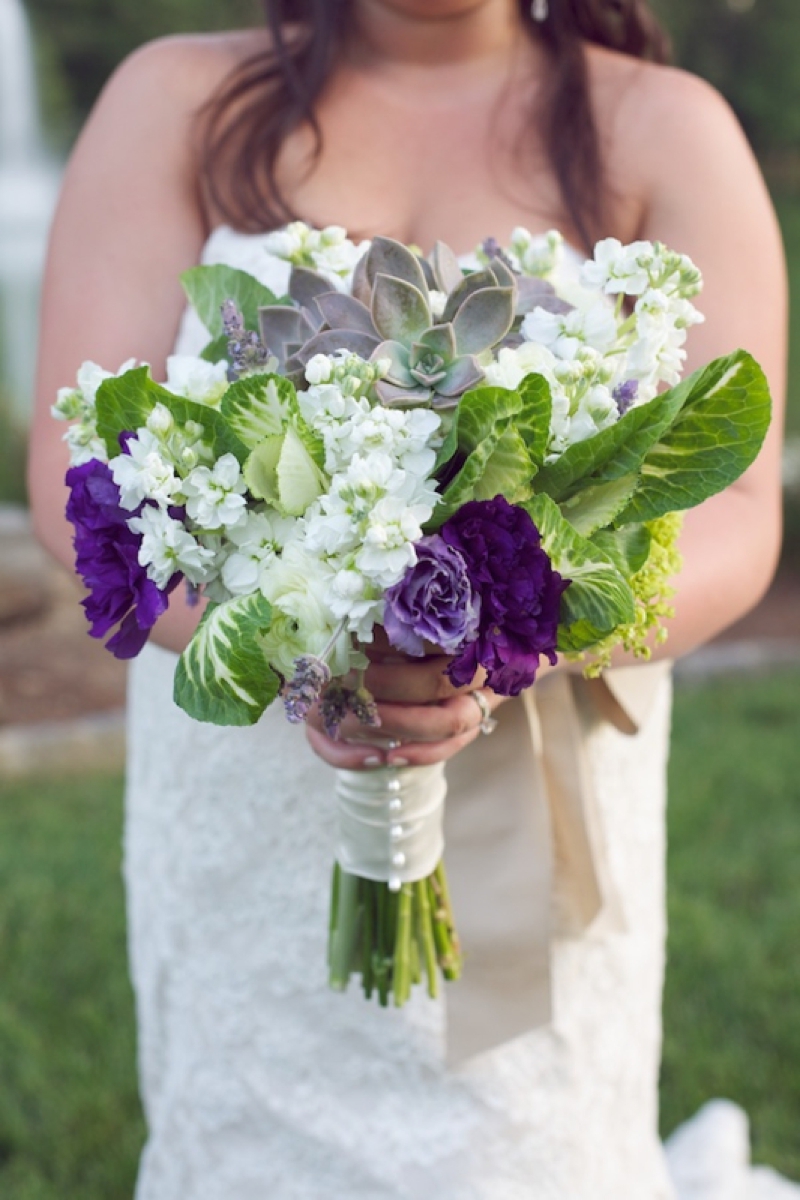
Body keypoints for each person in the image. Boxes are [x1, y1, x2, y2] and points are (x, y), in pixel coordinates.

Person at [29, 1, 789, 1197]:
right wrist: (305, 644)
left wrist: (513, 634)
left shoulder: (661, 129)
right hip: (247, 797)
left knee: (518, 1146)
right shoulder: (172, 103)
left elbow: (736, 510)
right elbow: (78, 475)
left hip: (537, 753)